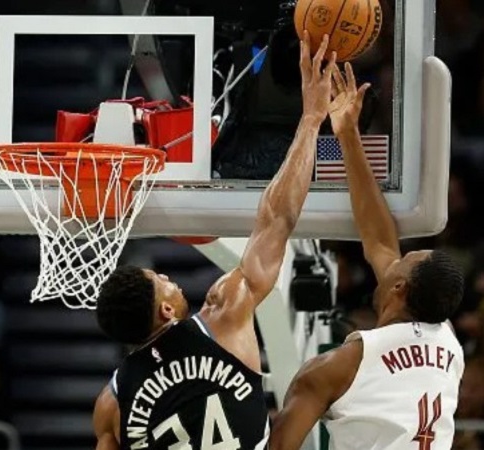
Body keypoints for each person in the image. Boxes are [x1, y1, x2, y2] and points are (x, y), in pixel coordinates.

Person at [92, 32, 337, 449]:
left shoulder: (111, 403)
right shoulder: (225, 313)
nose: (167, 274)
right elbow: (277, 219)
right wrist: (312, 118)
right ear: (167, 309)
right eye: (160, 279)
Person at [270, 62, 465, 450]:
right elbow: (380, 243)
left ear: (398, 287)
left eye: (403, 260)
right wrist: (348, 135)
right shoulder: (449, 342)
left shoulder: (336, 368)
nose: (395, 256)